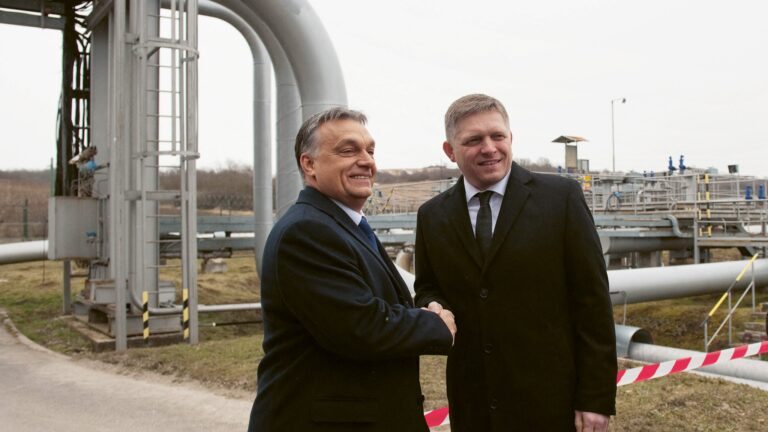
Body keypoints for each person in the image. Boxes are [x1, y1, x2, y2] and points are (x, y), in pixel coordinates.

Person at [414, 94, 616, 431]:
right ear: (450, 151)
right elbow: (427, 288)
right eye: (474, 140)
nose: (489, 148)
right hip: (473, 404)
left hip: (551, 403)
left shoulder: (560, 199)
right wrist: (433, 305)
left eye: (497, 136)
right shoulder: (432, 216)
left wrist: (595, 398)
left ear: (511, 138)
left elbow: (592, 302)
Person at [248, 107, 457, 431]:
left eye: (370, 150)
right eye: (348, 150)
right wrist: (436, 325)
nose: (366, 160)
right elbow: (362, 327)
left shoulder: (344, 224)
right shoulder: (306, 233)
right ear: (310, 164)